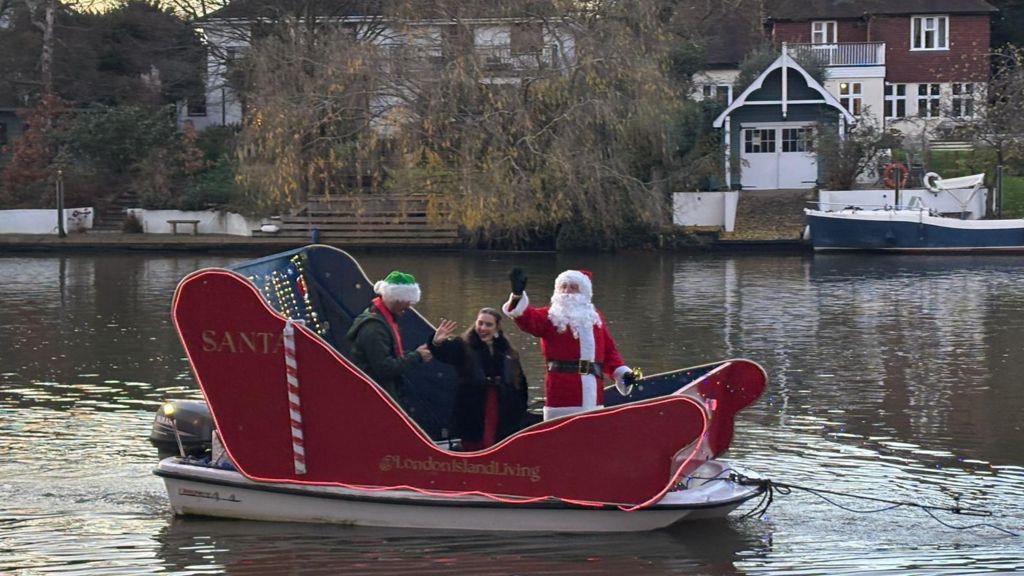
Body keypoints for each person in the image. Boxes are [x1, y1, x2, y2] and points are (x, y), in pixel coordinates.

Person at [502, 268, 639, 420]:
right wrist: (517, 296)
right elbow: (527, 319)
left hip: (593, 394)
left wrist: (625, 376)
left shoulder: (595, 318)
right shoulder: (551, 317)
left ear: (584, 292)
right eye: (563, 287)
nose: (567, 291)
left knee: (593, 432)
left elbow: (609, 354)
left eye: (573, 287)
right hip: (562, 394)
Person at [429, 308, 528, 450]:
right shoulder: (463, 345)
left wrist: (520, 409)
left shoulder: (507, 350)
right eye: (480, 323)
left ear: (497, 327)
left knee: (498, 439)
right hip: (473, 403)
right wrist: (436, 343)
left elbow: (519, 381)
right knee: (475, 440)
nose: (483, 328)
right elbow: (445, 354)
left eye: (488, 325)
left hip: (501, 402)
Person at [346, 270, 433, 406]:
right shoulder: (374, 328)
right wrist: (417, 357)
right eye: (407, 302)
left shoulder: (381, 319)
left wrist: (417, 353)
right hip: (375, 399)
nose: (408, 307)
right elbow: (385, 369)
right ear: (396, 298)